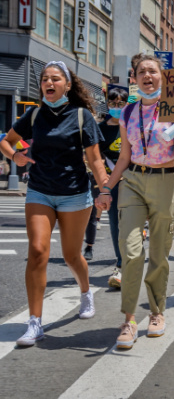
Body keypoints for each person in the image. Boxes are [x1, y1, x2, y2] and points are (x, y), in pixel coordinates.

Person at [0, 61, 108, 347]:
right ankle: (34, 322)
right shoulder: (34, 115)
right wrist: (16, 157)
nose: (49, 83)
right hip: (40, 191)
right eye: (45, 79)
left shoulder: (82, 116)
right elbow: (7, 141)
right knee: (37, 251)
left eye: (55, 79)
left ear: (67, 85)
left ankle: (85, 292)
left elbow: (95, 161)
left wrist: (105, 190)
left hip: (74, 194)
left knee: (72, 256)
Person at [98, 54, 174, 349]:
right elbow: (124, 157)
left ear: (162, 77)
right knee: (130, 252)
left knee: (159, 254)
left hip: (166, 181)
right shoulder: (127, 113)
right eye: (142, 72)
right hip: (134, 182)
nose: (148, 76)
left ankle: (156, 313)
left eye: (153, 71)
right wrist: (105, 188)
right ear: (134, 79)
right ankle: (128, 319)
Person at [99, 87, 129, 288]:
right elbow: (94, 156)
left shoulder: (133, 124)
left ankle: (131, 262)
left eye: (121, 103)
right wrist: (105, 179)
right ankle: (120, 265)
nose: (117, 107)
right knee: (115, 224)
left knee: (132, 225)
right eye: (113, 103)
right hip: (113, 183)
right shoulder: (100, 128)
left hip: (135, 180)